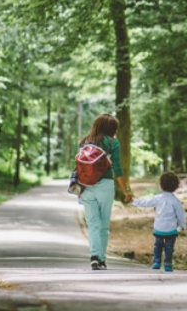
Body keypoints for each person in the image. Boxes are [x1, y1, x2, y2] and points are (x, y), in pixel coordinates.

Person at [78, 114, 133, 271]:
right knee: (103, 225)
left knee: (93, 223)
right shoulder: (113, 143)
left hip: (86, 186)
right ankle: (101, 259)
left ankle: (94, 256)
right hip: (105, 186)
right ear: (112, 129)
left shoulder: (85, 142)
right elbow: (117, 168)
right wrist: (126, 190)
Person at [132, 171, 186, 272]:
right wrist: (182, 225)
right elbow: (181, 215)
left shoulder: (157, 198)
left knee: (158, 245)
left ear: (161, 185)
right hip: (171, 230)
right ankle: (168, 264)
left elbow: (146, 202)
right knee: (169, 247)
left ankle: (156, 262)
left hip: (159, 228)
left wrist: (134, 201)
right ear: (176, 186)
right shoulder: (176, 201)